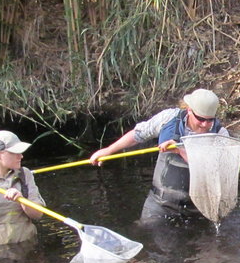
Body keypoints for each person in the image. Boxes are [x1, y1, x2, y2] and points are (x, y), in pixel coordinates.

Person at [88, 88, 228, 220]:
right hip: (161, 204)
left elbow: (212, 172)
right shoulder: (168, 118)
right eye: (201, 119)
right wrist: (108, 150)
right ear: (189, 110)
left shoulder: (221, 135)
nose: (205, 124)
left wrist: (180, 151)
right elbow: (138, 135)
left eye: (210, 120)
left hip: (201, 208)